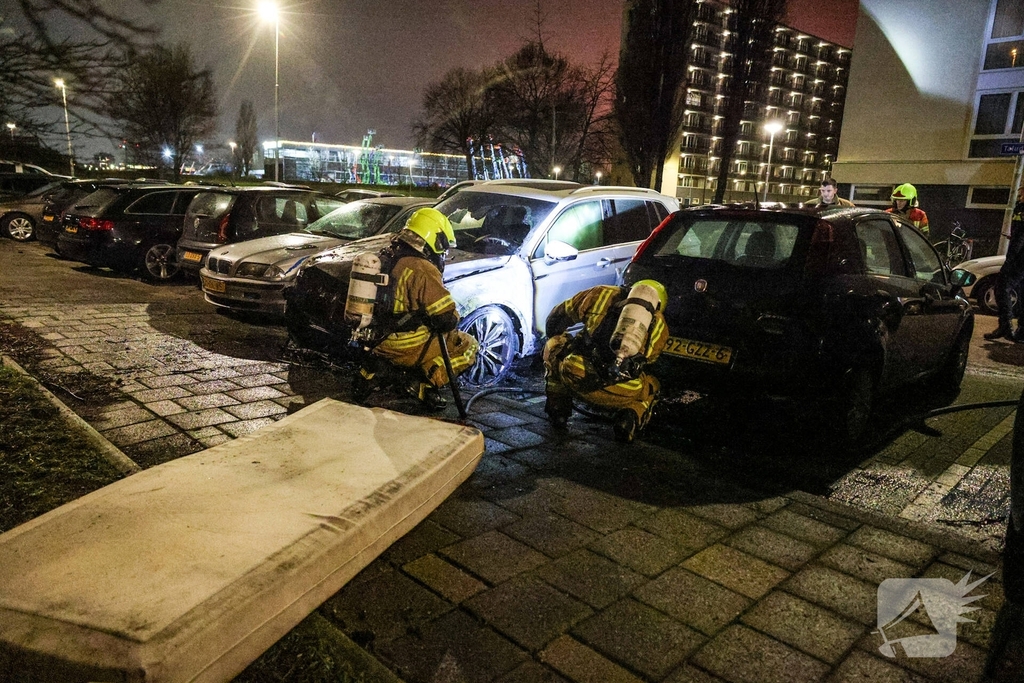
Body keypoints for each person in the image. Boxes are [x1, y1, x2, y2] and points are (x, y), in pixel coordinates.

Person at [353, 207, 478, 409]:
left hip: (374, 338)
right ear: (434, 239)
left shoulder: (385, 256)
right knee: (467, 344)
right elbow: (445, 318)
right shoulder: (422, 268)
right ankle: (422, 384)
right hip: (405, 344)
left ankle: (376, 370)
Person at [543, 280, 669, 443]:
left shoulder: (601, 294)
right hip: (621, 390)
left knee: (554, 345)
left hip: (577, 372)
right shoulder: (661, 326)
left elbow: (559, 315)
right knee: (652, 385)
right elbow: (650, 360)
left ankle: (558, 409)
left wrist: (556, 336)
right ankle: (629, 418)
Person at [984, 186, 1024, 341]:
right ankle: (1021, 330)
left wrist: (1011, 258)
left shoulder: (1021, 209)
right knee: (1021, 291)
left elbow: (1021, 236)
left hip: (1019, 258)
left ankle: (1005, 326)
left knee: (1002, 286)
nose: (1020, 192)